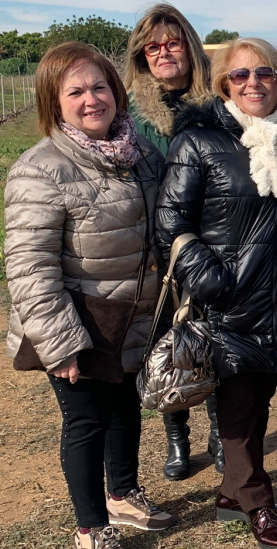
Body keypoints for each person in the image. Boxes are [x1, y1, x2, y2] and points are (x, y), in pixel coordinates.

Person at [5, 41, 177, 549]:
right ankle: (90, 525)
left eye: (99, 86)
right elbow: (29, 267)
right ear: (52, 102)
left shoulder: (140, 152)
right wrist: (61, 345)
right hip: (80, 319)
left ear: (116, 91)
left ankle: (122, 495)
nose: (91, 99)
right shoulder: (40, 169)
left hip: (132, 314)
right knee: (85, 421)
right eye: (75, 91)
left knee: (125, 407)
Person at [158, 37, 277, 549]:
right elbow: (169, 220)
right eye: (240, 75)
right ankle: (257, 501)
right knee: (236, 406)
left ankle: (232, 493)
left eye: (265, 73)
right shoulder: (201, 142)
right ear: (223, 83)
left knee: (258, 401)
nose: (253, 83)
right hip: (227, 299)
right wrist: (208, 277)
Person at [122, 1, 222, 482]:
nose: (163, 52)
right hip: (158, 249)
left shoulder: (220, 101)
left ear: (189, 44)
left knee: (220, 337)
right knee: (168, 341)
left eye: (172, 41)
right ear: (142, 56)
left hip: (217, 241)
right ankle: (177, 434)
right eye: (152, 47)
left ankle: (221, 433)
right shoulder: (132, 114)